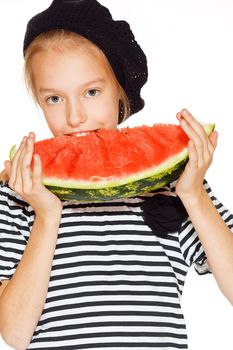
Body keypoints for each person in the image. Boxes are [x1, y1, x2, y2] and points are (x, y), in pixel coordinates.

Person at [0, 0, 232, 349]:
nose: (75, 117)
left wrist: (194, 195)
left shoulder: (173, 185)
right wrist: (46, 215)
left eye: (91, 92)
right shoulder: (18, 194)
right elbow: (15, 335)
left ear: (120, 92)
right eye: (54, 99)